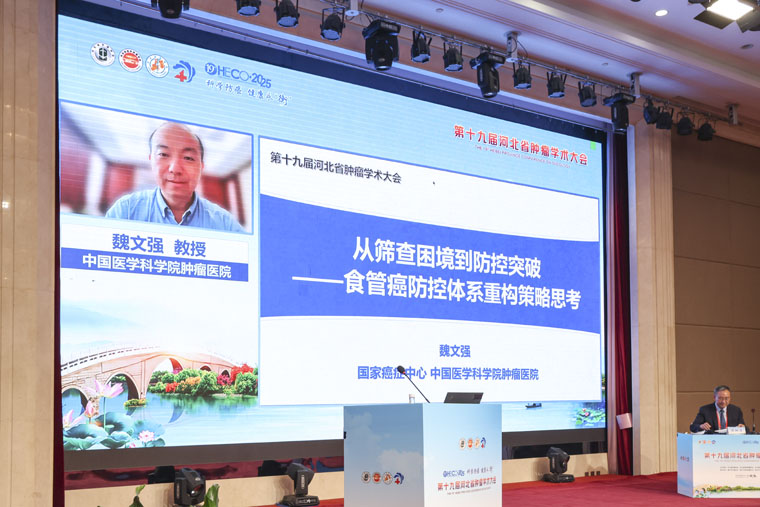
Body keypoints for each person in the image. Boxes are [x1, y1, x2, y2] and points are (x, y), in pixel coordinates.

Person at [106, 122, 245, 233]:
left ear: (201, 167)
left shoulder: (224, 222)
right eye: (163, 154)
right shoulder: (125, 210)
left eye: (188, 158)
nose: (175, 169)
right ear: (151, 161)